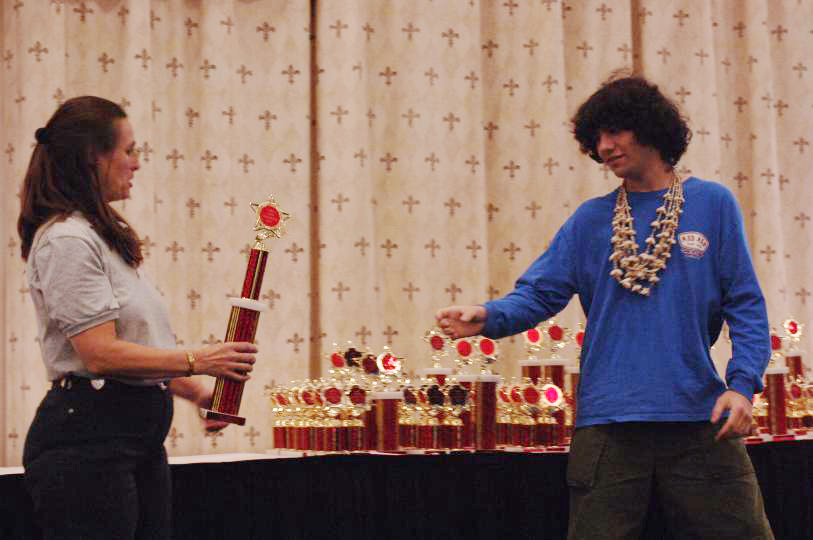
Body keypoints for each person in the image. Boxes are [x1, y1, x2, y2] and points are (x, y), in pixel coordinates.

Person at [436, 76, 774, 539]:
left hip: (700, 416)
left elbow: (746, 305)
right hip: (608, 423)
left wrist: (743, 385)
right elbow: (539, 293)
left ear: (650, 127)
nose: (604, 147)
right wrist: (489, 316)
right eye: (596, 138)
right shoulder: (590, 220)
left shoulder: (713, 204)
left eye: (615, 131)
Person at [17, 96, 258, 540]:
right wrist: (201, 360)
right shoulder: (67, 240)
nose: (137, 163)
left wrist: (195, 391)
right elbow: (100, 355)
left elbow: (133, 347)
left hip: (134, 441)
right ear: (93, 157)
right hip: (87, 445)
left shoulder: (100, 237)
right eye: (129, 150)